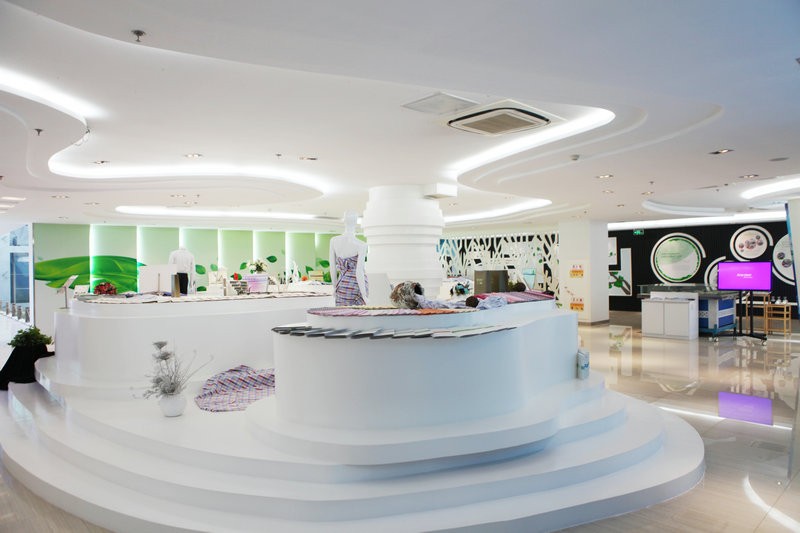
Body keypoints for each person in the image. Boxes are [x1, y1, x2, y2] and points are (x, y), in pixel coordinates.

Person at [329, 212, 368, 306]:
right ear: (356, 222)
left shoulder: (334, 240)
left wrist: (335, 287)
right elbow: (359, 271)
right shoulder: (361, 245)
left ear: (344, 221)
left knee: (342, 313)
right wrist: (364, 295)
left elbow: (332, 267)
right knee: (357, 314)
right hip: (357, 286)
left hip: (341, 286)